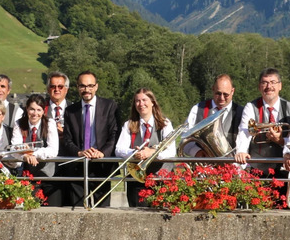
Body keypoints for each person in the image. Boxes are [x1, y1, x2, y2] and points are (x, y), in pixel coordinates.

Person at [60, 71, 119, 207]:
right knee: (78, 211)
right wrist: (79, 152)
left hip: (101, 165)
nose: (87, 90)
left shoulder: (109, 106)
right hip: (78, 166)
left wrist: (103, 152)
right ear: (77, 87)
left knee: (102, 212)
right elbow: (67, 139)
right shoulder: (70, 111)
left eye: (90, 85)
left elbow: (114, 134)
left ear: (96, 87)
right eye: (83, 86)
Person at [115, 88, 175, 207]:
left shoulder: (165, 124)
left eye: (144, 100)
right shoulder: (129, 124)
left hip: (161, 179)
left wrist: (152, 153)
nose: (141, 104)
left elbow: (171, 151)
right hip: (136, 181)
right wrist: (134, 153)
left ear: (152, 102)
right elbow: (118, 149)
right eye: (137, 101)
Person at [235, 68, 290, 173]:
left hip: (284, 167)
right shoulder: (250, 107)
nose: (269, 87)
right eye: (264, 83)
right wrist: (242, 151)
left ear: (280, 86)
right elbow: (244, 131)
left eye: (273, 82)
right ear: (259, 86)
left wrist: (283, 144)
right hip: (257, 167)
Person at [12, 94, 59, 202]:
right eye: (32, 109)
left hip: (48, 175)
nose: (35, 113)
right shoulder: (19, 123)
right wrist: (25, 155)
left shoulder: (50, 123)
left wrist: (32, 153)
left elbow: (53, 150)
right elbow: (15, 147)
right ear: (27, 109)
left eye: (39, 110)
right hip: (28, 174)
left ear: (43, 111)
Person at [182, 74, 243, 157]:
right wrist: (196, 151)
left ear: (232, 91)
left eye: (226, 94)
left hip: (232, 166)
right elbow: (184, 138)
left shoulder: (242, 112)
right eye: (218, 93)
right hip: (204, 166)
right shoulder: (197, 109)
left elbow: (245, 142)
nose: (221, 98)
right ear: (213, 89)